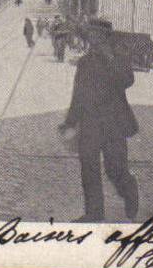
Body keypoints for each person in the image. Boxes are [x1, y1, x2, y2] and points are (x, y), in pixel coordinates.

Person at [58, 19, 139, 223]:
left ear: (105, 36)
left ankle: (130, 191)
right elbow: (78, 95)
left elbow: (127, 80)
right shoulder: (85, 62)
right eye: (90, 34)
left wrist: (110, 58)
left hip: (113, 124)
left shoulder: (118, 56)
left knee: (115, 169)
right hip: (89, 123)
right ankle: (94, 213)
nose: (92, 38)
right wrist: (70, 121)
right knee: (89, 168)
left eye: (95, 34)